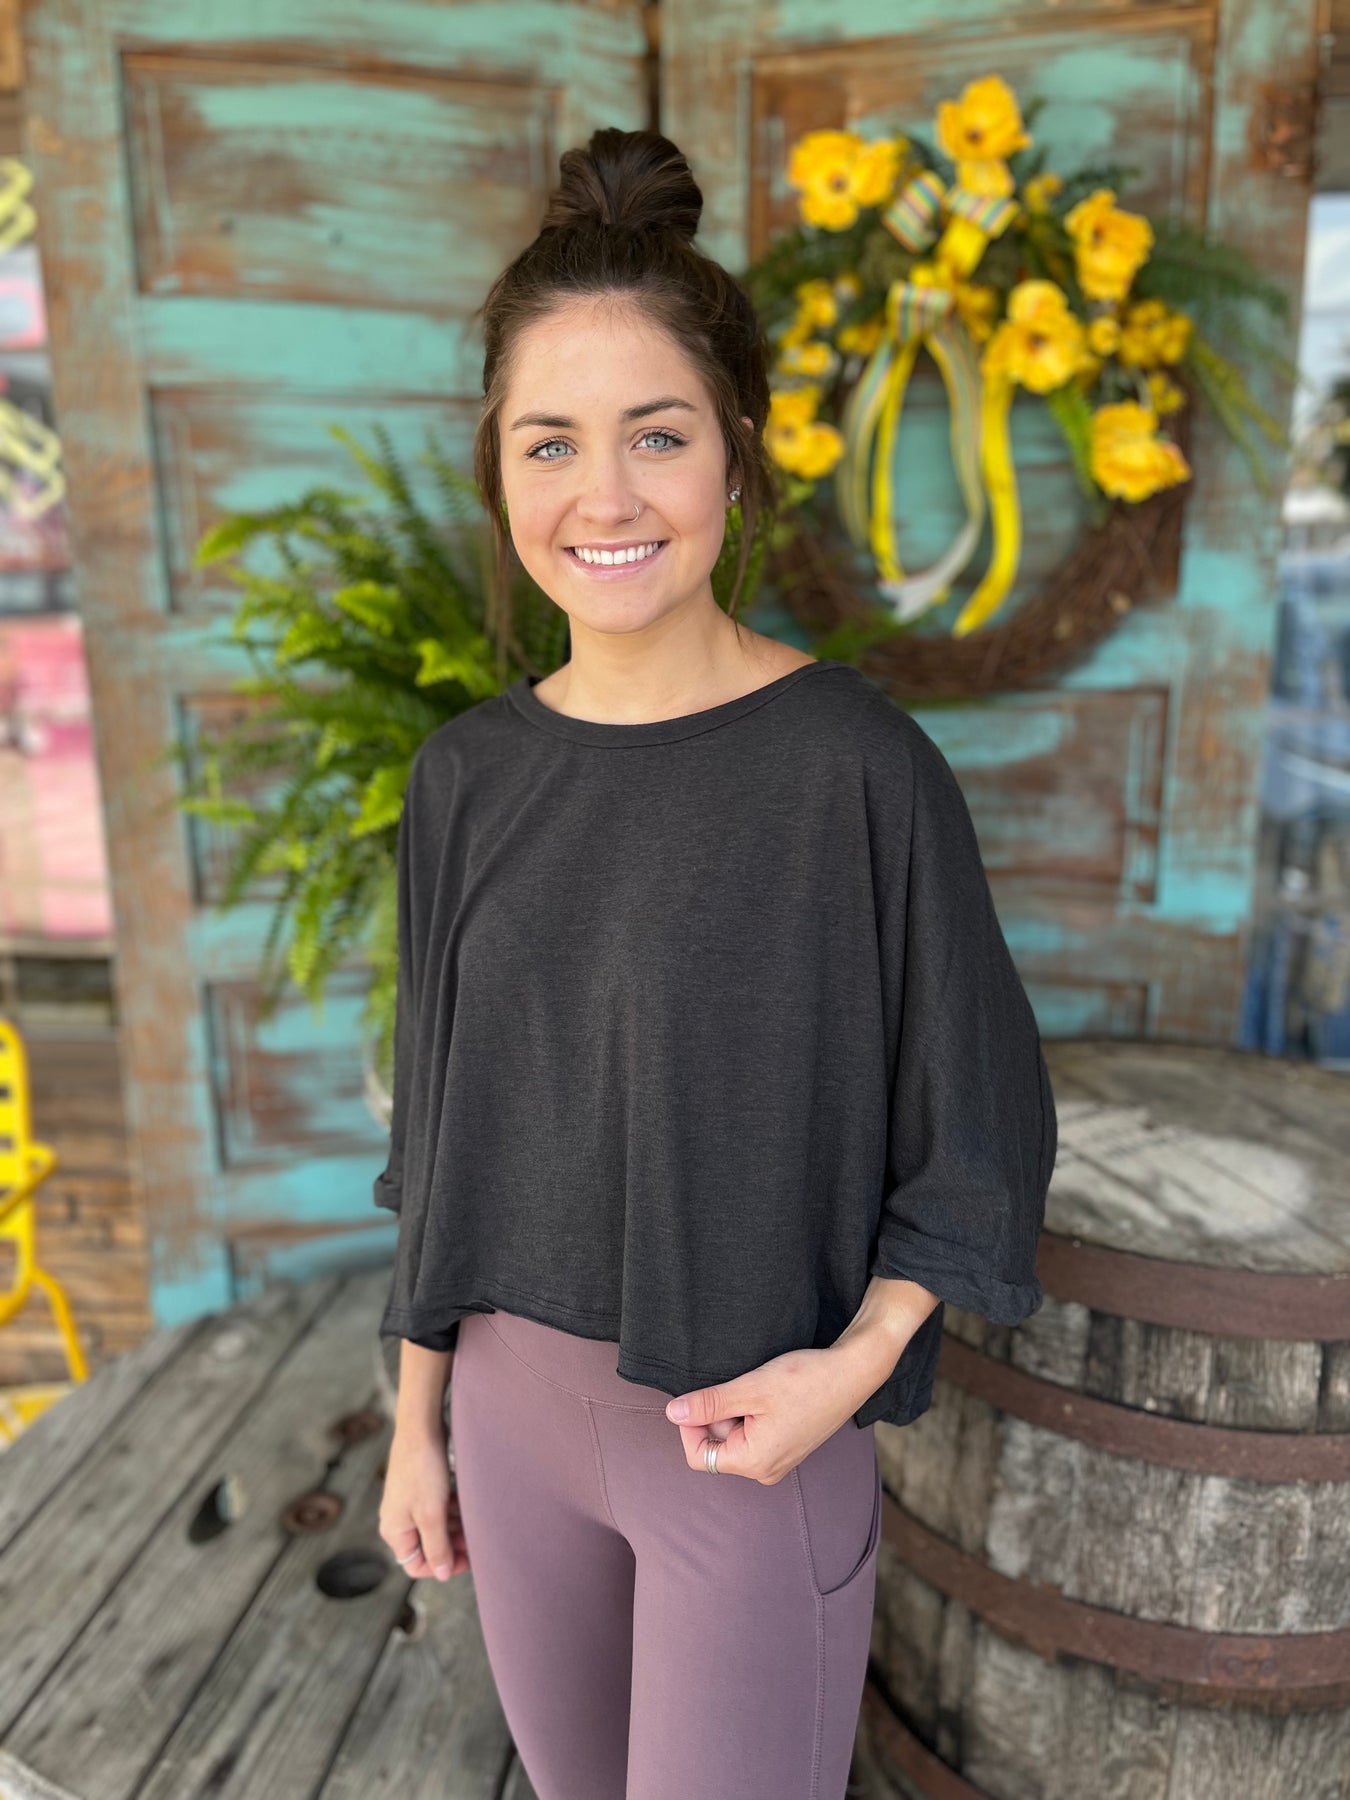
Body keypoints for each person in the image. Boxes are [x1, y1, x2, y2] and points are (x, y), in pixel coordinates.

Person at [375, 127, 1056, 1800]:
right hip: (506, 1431)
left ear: (736, 459)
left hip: (745, 1441)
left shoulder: (853, 770)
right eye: (550, 442)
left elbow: (978, 1126)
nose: (604, 497)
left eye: (657, 435)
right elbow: (441, 1135)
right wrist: (414, 1424)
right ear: (498, 472)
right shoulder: (463, 779)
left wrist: (854, 1369)